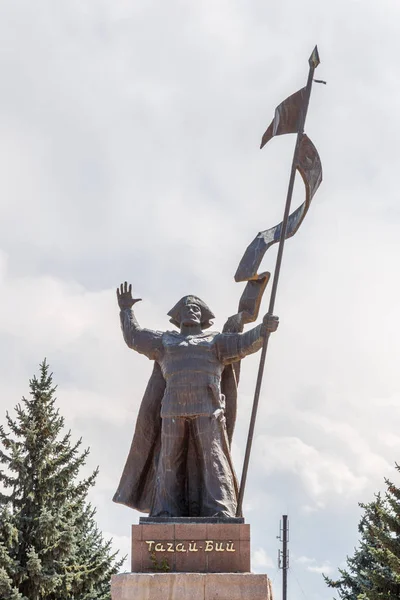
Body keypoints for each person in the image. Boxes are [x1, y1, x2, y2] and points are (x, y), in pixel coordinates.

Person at [113, 282, 279, 518]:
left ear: (204, 317)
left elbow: (244, 343)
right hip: (172, 410)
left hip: (208, 409)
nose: (192, 309)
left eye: (196, 308)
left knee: (213, 460)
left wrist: (263, 329)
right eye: (187, 307)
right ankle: (164, 510)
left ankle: (221, 509)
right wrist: (126, 311)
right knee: (169, 461)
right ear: (178, 316)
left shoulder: (216, 342)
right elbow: (134, 338)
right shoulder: (165, 341)